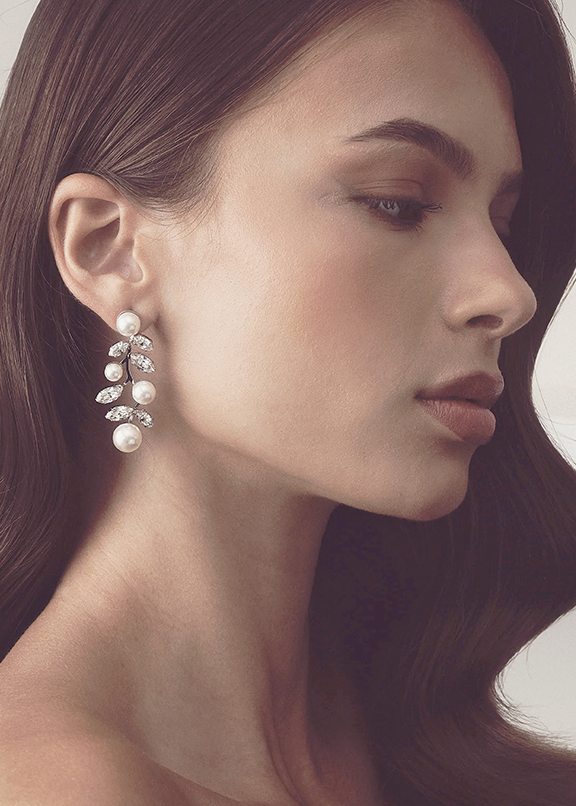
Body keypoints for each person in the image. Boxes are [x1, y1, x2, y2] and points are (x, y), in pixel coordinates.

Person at [0, 0, 575, 803]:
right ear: (108, 247)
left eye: (505, 226)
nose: (509, 294)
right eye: (398, 202)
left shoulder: (439, 756)